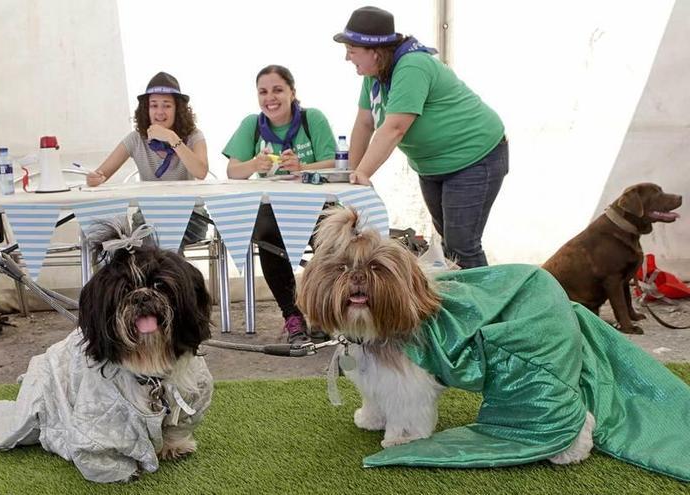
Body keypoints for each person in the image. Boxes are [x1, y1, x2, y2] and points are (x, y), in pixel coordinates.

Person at [336, 6, 509, 268]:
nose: (347, 58)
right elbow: (364, 123)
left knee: (463, 245)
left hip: (475, 157)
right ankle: (465, 305)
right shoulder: (374, 75)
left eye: (351, 50)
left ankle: (490, 308)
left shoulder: (412, 65)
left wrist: (363, 175)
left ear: (374, 51)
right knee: (449, 247)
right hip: (433, 166)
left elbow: (395, 128)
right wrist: (352, 172)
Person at [223, 65, 336, 344]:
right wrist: (254, 164)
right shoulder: (252, 124)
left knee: (331, 239)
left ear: (292, 92)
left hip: (317, 204)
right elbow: (232, 171)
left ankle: (323, 313)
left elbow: (335, 163)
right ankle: (292, 316)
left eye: (277, 90)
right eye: (263, 91)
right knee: (267, 235)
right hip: (273, 207)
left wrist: (303, 167)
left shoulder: (313, 119)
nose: (269, 98)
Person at [85, 72, 210, 248]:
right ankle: (170, 275)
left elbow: (201, 171)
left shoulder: (194, 136)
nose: (159, 112)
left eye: (166, 105)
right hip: (148, 217)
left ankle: (164, 275)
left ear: (178, 109)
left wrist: (171, 137)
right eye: (154, 105)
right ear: (146, 109)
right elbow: (102, 173)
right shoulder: (136, 139)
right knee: (151, 237)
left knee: (161, 239)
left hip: (191, 216)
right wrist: (94, 178)